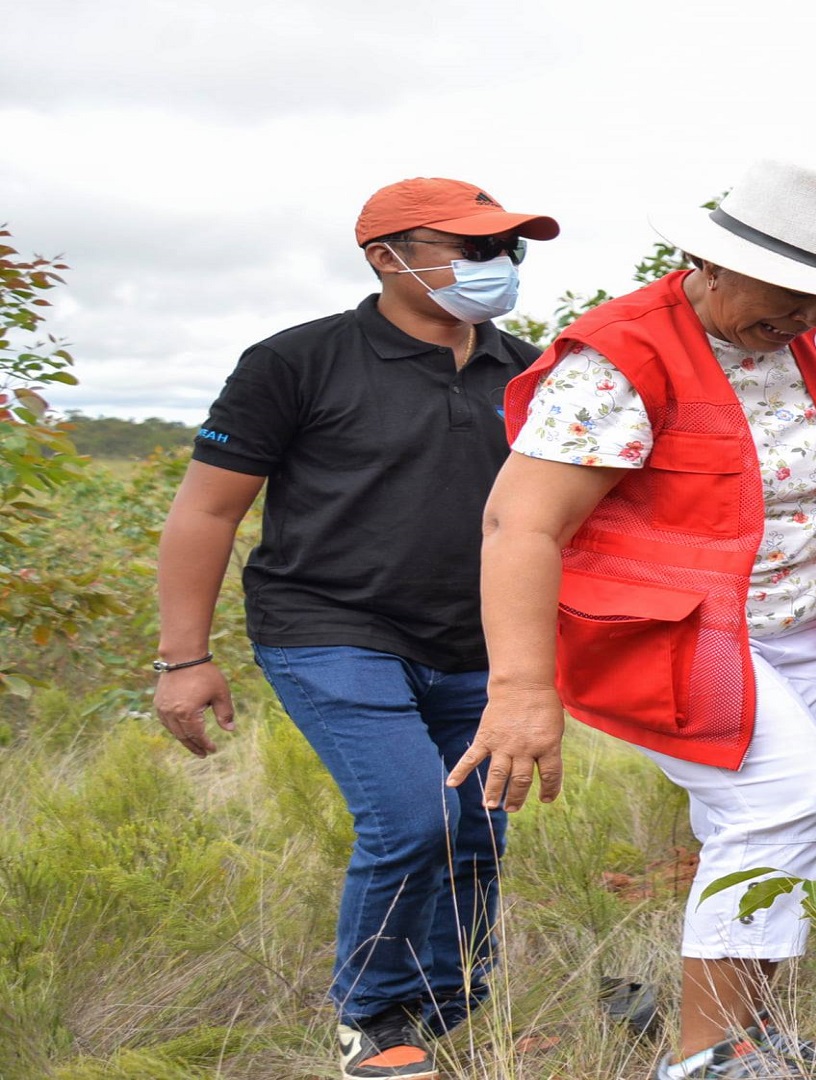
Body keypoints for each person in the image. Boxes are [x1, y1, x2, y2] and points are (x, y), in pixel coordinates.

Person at [446, 162, 816, 1080]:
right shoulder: (621, 359)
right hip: (681, 635)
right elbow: (521, 525)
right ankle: (704, 1059)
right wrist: (520, 689)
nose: (803, 316)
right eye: (785, 293)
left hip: (799, 620)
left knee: (766, 826)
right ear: (708, 260)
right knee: (789, 803)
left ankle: (751, 1036)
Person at [152, 178, 558, 1079]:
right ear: (386, 257)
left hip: (479, 643)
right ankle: (370, 1016)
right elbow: (207, 511)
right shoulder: (296, 362)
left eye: (508, 248)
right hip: (328, 625)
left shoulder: (534, 372)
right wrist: (183, 659)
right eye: (472, 248)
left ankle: (448, 1007)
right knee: (413, 818)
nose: (495, 264)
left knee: (476, 828)